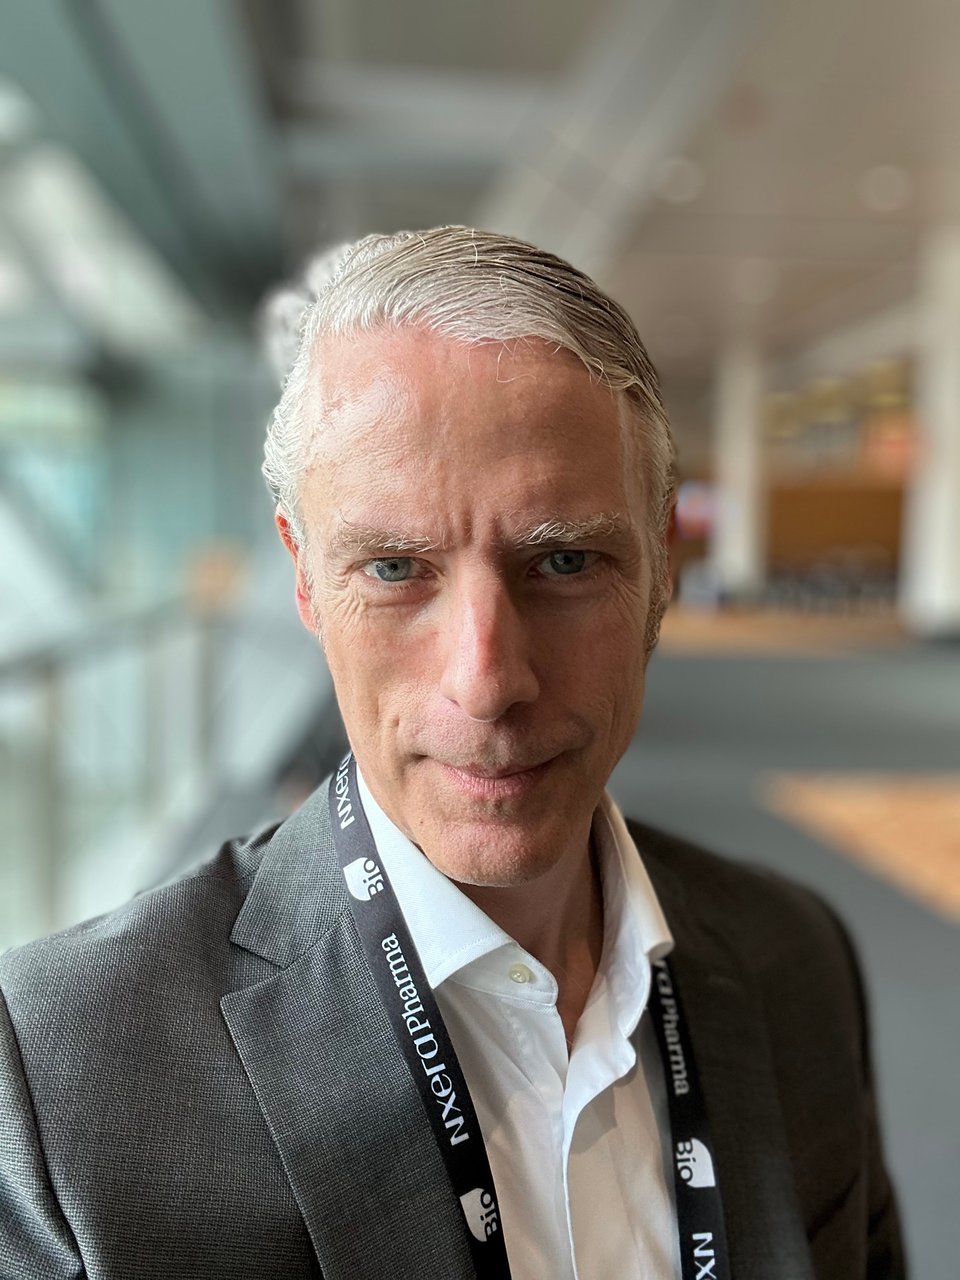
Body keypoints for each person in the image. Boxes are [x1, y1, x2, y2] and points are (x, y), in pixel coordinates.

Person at [0, 227, 905, 1280]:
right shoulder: (63, 1076)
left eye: (565, 559)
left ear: (661, 561)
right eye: (393, 567)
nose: (486, 679)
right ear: (303, 578)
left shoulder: (796, 957)